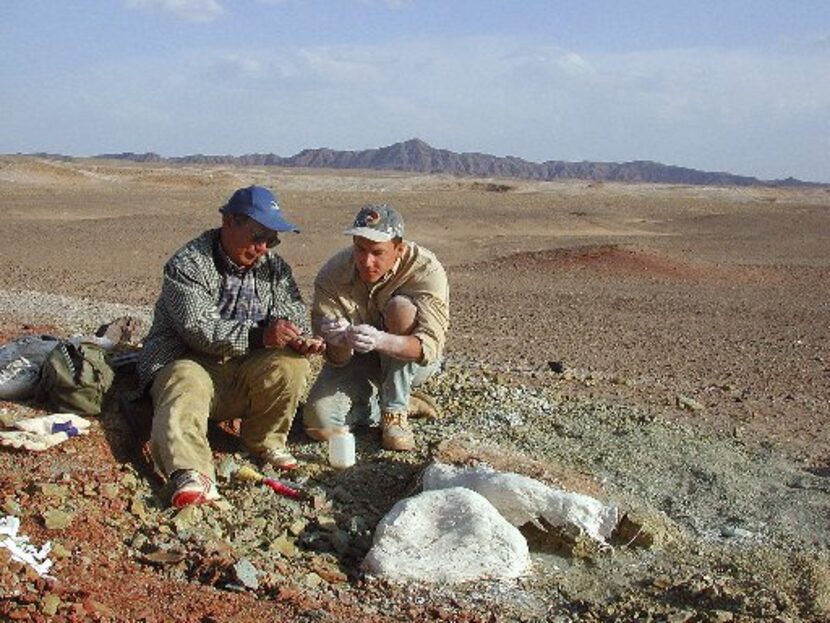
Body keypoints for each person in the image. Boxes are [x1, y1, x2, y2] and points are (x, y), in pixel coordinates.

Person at [137, 185, 324, 507]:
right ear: (229, 223)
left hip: (242, 369)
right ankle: (191, 472)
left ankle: (264, 441)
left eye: (271, 240)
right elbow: (198, 329)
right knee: (185, 379)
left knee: (291, 364)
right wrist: (261, 336)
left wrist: (299, 336)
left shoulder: (274, 268)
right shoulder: (188, 264)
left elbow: (292, 310)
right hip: (191, 361)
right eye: (257, 237)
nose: (264, 247)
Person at [303, 204, 449, 451]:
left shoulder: (425, 269)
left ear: (399, 249)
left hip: (412, 364)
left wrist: (381, 341)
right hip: (360, 361)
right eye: (359, 249)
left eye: (377, 252)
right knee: (320, 424)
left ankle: (395, 412)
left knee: (401, 310)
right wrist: (337, 342)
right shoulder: (333, 274)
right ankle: (386, 404)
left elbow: (430, 347)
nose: (366, 261)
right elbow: (335, 359)